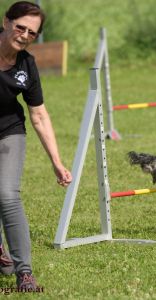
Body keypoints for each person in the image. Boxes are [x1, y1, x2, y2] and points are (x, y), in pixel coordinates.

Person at [0, 1, 72, 290]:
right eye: (20, 27)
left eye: (32, 33)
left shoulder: (26, 64)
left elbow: (39, 114)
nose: (24, 35)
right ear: (6, 22)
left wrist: (56, 162)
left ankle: (24, 273)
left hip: (9, 132)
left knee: (6, 195)